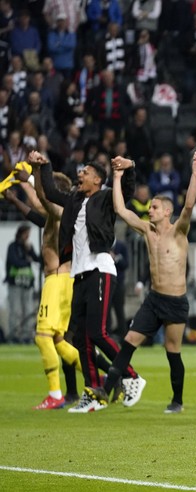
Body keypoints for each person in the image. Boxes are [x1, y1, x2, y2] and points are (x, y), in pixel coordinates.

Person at [83, 155, 196, 413]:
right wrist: (116, 177)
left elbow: (189, 205)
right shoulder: (147, 231)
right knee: (128, 341)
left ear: (167, 211)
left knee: (173, 351)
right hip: (154, 299)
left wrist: (195, 171)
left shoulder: (179, 231)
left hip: (176, 301)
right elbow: (122, 210)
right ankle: (107, 389)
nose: (150, 210)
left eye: (155, 207)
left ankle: (177, 401)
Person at [35, 152, 146, 413]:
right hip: (79, 273)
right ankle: (94, 392)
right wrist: (44, 164)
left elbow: (127, 191)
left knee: (97, 333)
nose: (80, 175)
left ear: (98, 179)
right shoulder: (74, 200)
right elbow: (50, 192)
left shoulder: (107, 197)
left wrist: (130, 166)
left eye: (85, 172)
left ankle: (131, 375)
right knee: (80, 339)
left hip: (100, 268)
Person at [4, 170, 81, 409]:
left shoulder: (60, 210)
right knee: (59, 340)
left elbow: (41, 200)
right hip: (61, 279)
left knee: (42, 336)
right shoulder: (55, 216)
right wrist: (16, 194)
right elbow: (34, 209)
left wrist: (28, 179)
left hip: (57, 279)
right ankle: (103, 377)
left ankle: (56, 394)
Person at [5, 223, 38, 344]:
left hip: (27, 283)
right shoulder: (13, 246)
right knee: (16, 310)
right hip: (15, 283)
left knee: (28, 309)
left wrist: (30, 251)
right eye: (26, 234)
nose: (27, 236)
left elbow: (37, 259)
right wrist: (26, 261)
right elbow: (14, 261)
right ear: (21, 233)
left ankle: (27, 335)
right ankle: (14, 335)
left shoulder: (28, 247)